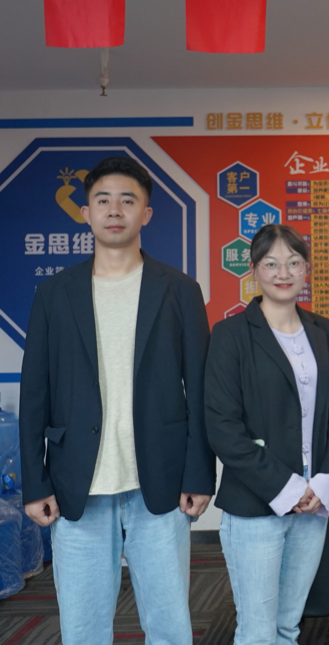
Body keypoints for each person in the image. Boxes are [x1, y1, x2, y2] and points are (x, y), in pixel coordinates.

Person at [19, 156, 215, 644]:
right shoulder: (55, 293)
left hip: (160, 481)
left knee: (169, 624)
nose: (114, 210)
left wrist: (198, 475)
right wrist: (35, 484)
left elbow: (200, 388)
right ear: (85, 213)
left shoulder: (180, 290)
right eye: (103, 200)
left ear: (145, 214)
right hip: (77, 482)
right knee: (83, 627)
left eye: (128, 201)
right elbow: (35, 393)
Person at [204, 224, 329, 645]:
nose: (283, 273)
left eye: (293, 262)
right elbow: (223, 428)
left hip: (313, 504)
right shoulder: (230, 335)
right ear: (253, 271)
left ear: (307, 269)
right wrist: (288, 488)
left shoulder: (323, 330)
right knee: (258, 631)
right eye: (271, 264)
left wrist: (324, 481)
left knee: (288, 627)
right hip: (256, 506)